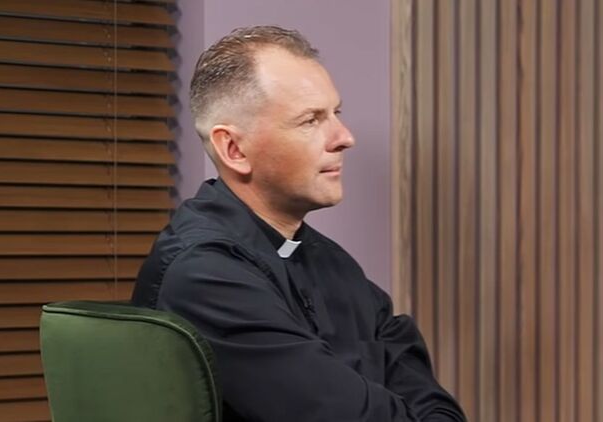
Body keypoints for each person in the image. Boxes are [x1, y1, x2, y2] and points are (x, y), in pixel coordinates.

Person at [132, 25, 466, 422]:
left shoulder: (329, 261)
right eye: (310, 120)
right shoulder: (204, 275)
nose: (344, 137)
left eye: (336, 113)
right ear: (234, 149)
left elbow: (423, 388)